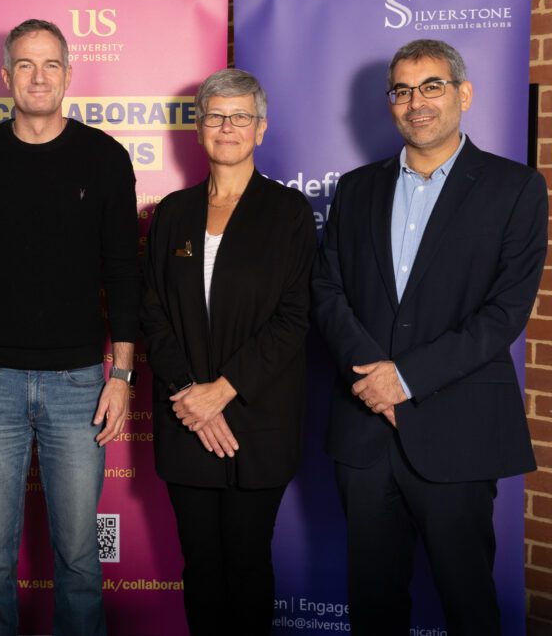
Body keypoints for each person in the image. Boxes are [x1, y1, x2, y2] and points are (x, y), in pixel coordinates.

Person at [312, 39, 547, 634]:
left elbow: (504, 313)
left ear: (463, 94)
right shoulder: (358, 187)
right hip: (365, 435)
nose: (416, 102)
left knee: (468, 604)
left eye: (431, 86)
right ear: (390, 103)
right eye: (402, 90)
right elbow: (327, 291)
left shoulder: (514, 189)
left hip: (458, 431)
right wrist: (376, 381)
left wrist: (407, 379)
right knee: (374, 605)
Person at [0, 18, 140, 635]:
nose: (39, 77)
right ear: (5, 77)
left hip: (79, 382)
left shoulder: (105, 158)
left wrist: (121, 374)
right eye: (26, 65)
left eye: (51, 65)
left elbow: (124, 274)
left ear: (69, 74)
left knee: (79, 556)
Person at [140, 69, 315, 634]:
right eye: (215, 116)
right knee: (202, 567)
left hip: (256, 421)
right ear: (199, 128)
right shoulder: (172, 212)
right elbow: (153, 311)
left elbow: (295, 317)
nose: (227, 127)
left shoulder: (287, 214)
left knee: (246, 563)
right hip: (185, 416)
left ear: (260, 129)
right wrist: (191, 394)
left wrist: (224, 390)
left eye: (241, 117)